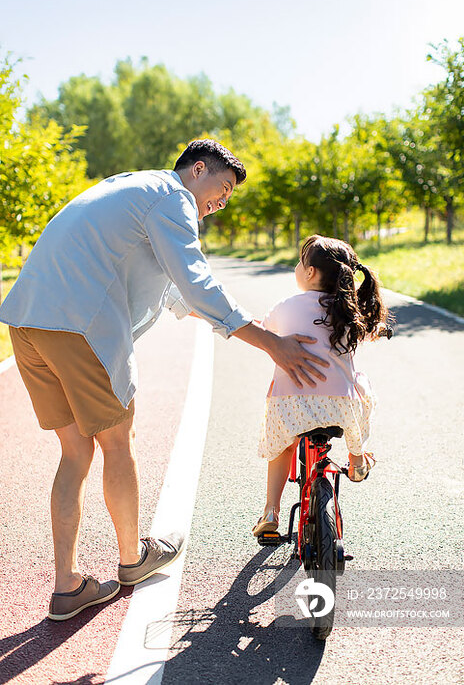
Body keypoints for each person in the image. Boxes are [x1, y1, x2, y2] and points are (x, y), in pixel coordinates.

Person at [0, 139, 329, 620]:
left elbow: (178, 293)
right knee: (117, 443)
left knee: (75, 451)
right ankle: (133, 559)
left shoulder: (135, 189)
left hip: (27, 322)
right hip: (80, 325)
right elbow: (197, 282)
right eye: (221, 189)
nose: (220, 204)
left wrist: (244, 325)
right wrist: (269, 342)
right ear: (197, 169)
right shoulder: (173, 199)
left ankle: (68, 585)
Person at [252, 234, 388, 537]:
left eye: (300, 263)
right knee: (361, 385)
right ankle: (356, 460)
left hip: (290, 407)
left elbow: (263, 331)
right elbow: (367, 330)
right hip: (340, 408)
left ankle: (270, 511)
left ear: (310, 272)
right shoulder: (349, 311)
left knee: (283, 446)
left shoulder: (285, 306)